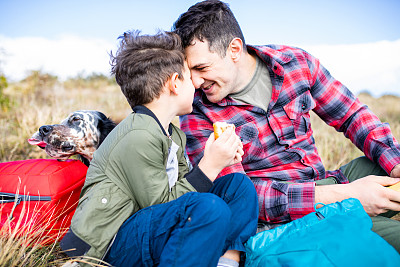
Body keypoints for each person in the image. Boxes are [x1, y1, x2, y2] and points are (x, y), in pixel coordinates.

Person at [172, 0, 400, 252]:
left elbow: (353, 116)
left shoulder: (296, 63)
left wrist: (395, 163)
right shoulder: (198, 111)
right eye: (189, 70)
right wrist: (348, 196)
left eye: (201, 68)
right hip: (278, 223)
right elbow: (239, 197)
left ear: (234, 49)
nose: (194, 80)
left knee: (384, 162)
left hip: (324, 185)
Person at [61, 30, 258, 267]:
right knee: (207, 208)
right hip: (109, 244)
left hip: (147, 229)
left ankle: (224, 262)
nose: (196, 82)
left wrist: (219, 159)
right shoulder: (137, 135)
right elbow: (163, 205)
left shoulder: (171, 134)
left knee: (238, 187)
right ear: (175, 83)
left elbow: (183, 190)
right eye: (189, 76)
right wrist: (209, 165)